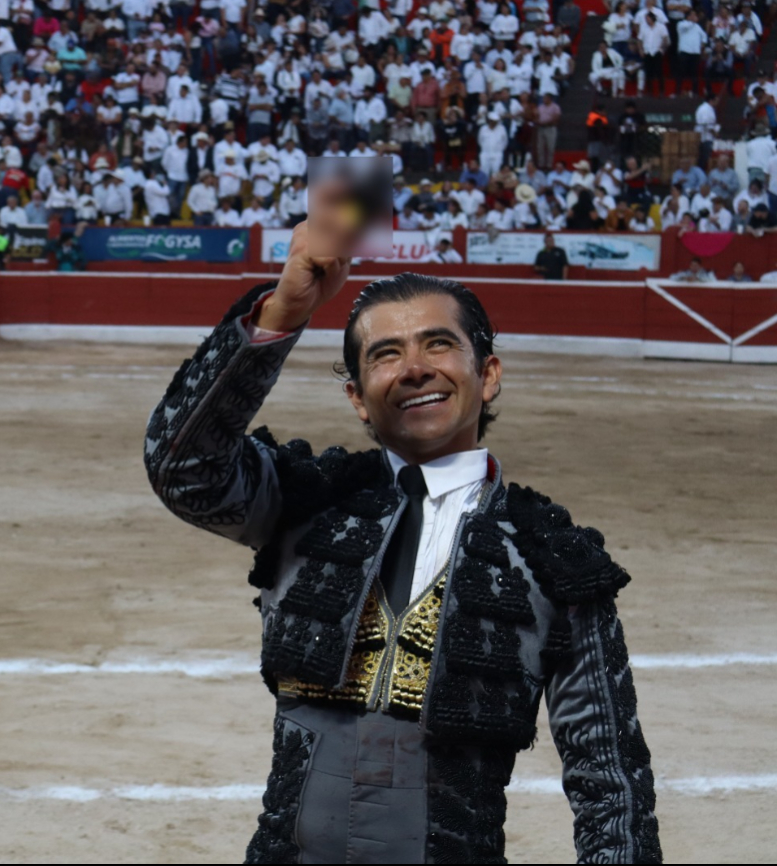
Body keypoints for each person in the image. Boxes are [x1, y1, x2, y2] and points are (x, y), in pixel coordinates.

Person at [144, 221, 661, 864]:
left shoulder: (554, 558)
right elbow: (182, 469)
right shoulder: (306, 501)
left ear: (488, 374)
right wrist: (283, 313)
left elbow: (611, 782)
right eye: (385, 354)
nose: (415, 369)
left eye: (438, 344)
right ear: (359, 399)